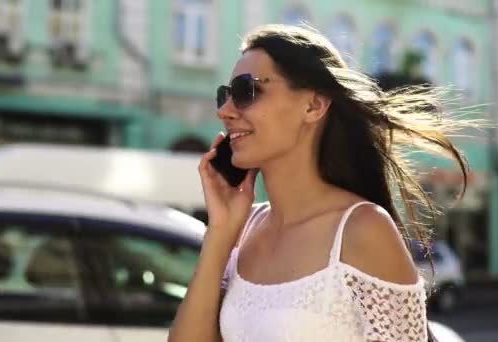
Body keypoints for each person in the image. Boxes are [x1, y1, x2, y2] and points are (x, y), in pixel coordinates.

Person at [169, 24, 471, 342]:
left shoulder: (362, 229)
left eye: (246, 91)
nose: (225, 111)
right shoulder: (244, 229)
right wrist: (220, 233)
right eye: (225, 96)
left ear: (313, 105)